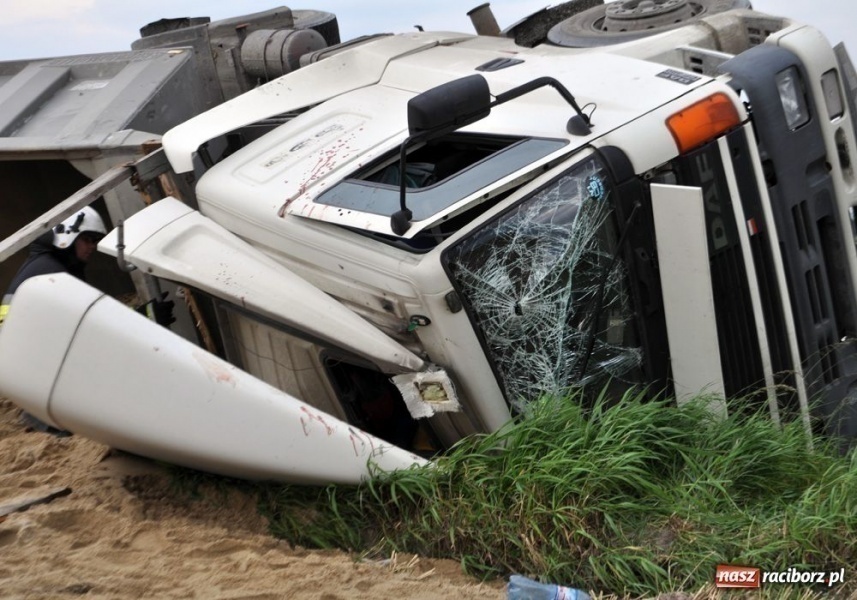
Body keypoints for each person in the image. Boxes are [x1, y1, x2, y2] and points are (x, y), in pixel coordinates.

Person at [0, 206, 108, 434]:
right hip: (32, 365)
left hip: (25, 361)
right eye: (87, 239)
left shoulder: (50, 265)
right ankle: (47, 423)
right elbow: (93, 326)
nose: (92, 247)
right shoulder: (53, 274)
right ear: (67, 236)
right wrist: (146, 315)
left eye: (95, 241)